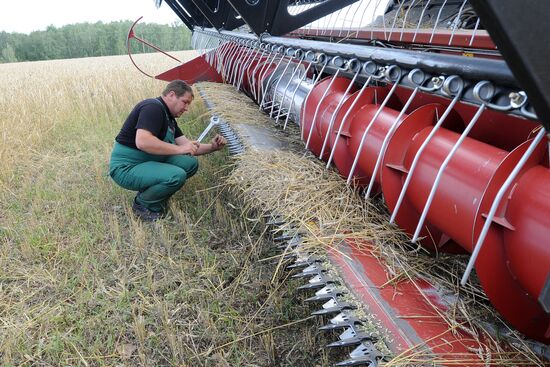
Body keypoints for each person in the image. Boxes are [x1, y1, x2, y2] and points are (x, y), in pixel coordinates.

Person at [109, 80, 226, 221]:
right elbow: (143, 142)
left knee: (190, 163)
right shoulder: (152, 107)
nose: (186, 108)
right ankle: (143, 205)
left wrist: (213, 147)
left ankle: (151, 192)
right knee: (176, 175)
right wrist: (180, 149)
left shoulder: (168, 117)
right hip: (126, 167)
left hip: (146, 161)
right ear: (171, 95)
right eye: (185, 102)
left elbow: (188, 146)